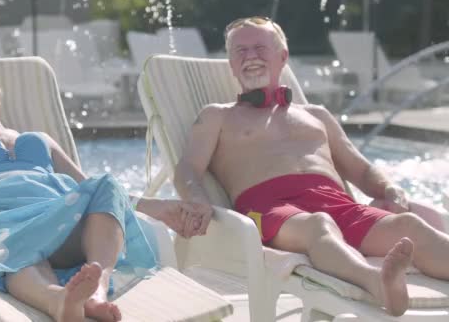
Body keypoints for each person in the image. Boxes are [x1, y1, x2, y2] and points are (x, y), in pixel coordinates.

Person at [0, 65, 204, 322]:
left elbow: (89, 186)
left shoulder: (40, 139)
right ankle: (58, 300)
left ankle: (97, 289)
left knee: (105, 182)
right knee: (14, 249)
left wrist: (158, 207)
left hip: (58, 214)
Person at [173, 16, 449, 317]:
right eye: (240, 51)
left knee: (409, 226)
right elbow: (187, 169)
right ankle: (379, 284)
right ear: (231, 64)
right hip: (270, 209)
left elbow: (362, 170)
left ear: (283, 57)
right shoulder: (218, 116)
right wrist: (196, 200)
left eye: (259, 48)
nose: (250, 56)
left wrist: (390, 189)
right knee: (318, 226)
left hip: (338, 203)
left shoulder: (316, 115)